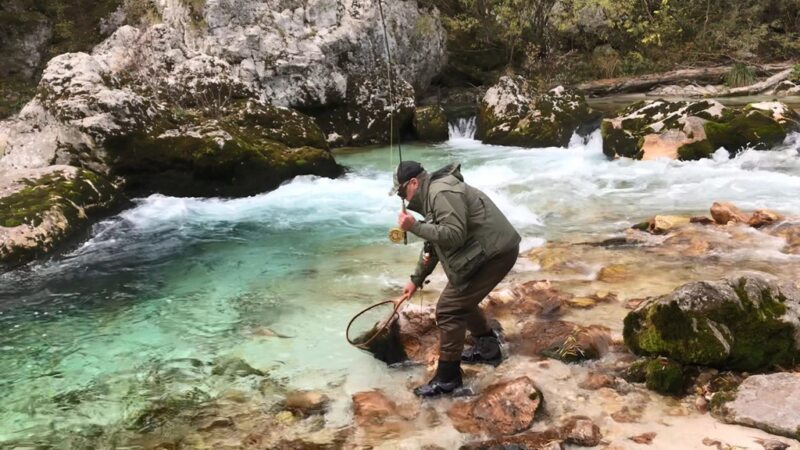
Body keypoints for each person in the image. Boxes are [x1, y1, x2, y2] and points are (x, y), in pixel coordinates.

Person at [391, 160, 520, 397]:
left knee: (449, 309)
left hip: (496, 253)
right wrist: (415, 280)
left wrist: (415, 226)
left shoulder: (441, 193)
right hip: (489, 251)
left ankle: (448, 380)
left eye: (402, 192)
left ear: (413, 182)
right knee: (460, 298)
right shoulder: (431, 196)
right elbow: (433, 245)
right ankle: (488, 349)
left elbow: (454, 235)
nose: (403, 199)